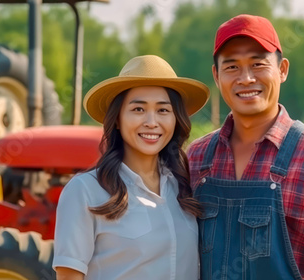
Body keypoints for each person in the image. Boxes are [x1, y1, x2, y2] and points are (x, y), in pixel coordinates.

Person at [187, 14, 304, 280]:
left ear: (282, 69)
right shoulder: (197, 155)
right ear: (216, 75)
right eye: (232, 67)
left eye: (258, 64)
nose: (246, 78)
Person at [52, 55, 210, 280]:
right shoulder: (85, 191)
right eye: (138, 109)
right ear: (117, 119)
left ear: (176, 120)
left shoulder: (185, 186)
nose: (151, 122)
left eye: (163, 110)